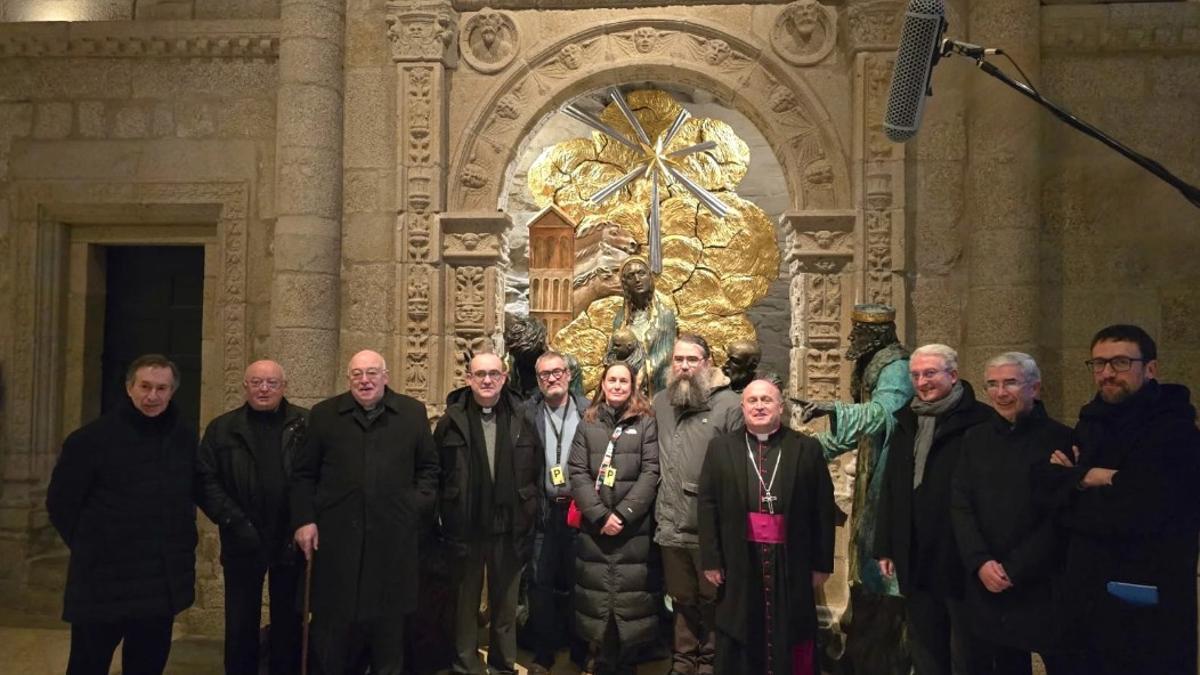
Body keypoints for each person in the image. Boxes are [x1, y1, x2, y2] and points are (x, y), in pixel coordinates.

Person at [1042, 324, 1200, 674]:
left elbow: (1140, 512)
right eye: (1099, 364)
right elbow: (1055, 497)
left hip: (1144, 597)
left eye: (1120, 362)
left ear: (1150, 368)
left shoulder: (1175, 431)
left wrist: (1077, 482)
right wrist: (1099, 478)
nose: (1107, 373)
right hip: (1083, 596)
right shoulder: (1090, 421)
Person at [47, 354, 198, 675]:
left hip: (159, 582)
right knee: (88, 665)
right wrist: (93, 545)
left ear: (172, 392)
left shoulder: (184, 440)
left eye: (161, 388)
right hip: (102, 582)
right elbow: (61, 504)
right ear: (129, 388)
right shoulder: (89, 440)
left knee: (147, 665)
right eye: (145, 386)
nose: (152, 396)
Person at [290, 349, 439, 675]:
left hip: (392, 542)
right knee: (334, 634)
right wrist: (304, 520)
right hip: (337, 542)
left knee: (388, 635)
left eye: (372, 373)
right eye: (357, 374)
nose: (365, 380)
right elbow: (304, 475)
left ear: (386, 376)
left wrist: (412, 508)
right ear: (348, 379)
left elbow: (428, 469)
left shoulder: (412, 414)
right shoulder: (324, 414)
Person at [797, 303, 913, 675]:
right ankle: (862, 651)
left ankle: (883, 657)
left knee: (880, 562)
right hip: (870, 469)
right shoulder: (872, 364)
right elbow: (858, 426)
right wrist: (810, 448)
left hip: (889, 474)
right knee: (864, 560)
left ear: (875, 335)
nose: (851, 339)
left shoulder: (895, 367)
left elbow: (881, 414)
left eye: (858, 332)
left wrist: (832, 407)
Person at [950, 353, 1077, 675]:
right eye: (992, 384)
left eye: (1010, 383)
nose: (1000, 393)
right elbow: (961, 503)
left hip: (1043, 580)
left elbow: (1062, 515)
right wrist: (980, 561)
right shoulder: (975, 439)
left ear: (1035, 388)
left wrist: (1015, 568)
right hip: (989, 577)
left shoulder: (1060, 438)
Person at [698, 376, 835, 674]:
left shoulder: (806, 448)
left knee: (791, 626)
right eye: (752, 401)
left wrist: (822, 563)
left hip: (791, 557)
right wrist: (711, 558)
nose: (759, 406)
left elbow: (822, 507)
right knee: (739, 626)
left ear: (781, 406)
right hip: (739, 556)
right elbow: (707, 506)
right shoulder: (721, 448)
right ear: (743, 407)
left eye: (766, 400)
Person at [874, 343, 991, 675]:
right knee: (925, 647)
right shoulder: (906, 420)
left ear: (953, 376)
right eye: (916, 375)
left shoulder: (979, 422)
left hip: (960, 555)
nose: (922, 382)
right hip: (917, 553)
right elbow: (892, 487)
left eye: (930, 374)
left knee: (968, 652)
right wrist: (886, 545)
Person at [197, 360, 308, 675]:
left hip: (290, 539)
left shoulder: (305, 424)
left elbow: (315, 476)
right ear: (245, 386)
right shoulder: (222, 428)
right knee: (240, 623)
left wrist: (303, 521)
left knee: (289, 622)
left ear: (284, 386)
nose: (264, 389)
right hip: (241, 538)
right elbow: (206, 481)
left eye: (272, 383)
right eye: (257, 382)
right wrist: (234, 521)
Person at [435, 352, 539, 675]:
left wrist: (529, 507)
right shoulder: (452, 420)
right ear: (468, 378)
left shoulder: (522, 417)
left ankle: (502, 664)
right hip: (466, 524)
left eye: (494, 374)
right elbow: (436, 472)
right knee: (464, 603)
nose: (487, 380)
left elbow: (534, 468)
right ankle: (465, 663)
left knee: (505, 603)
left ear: (504, 377)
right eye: (479, 374)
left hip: (509, 525)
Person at [652, 334, 743, 675]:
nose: (685, 366)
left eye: (692, 359)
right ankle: (683, 660)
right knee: (681, 598)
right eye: (679, 359)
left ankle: (709, 662)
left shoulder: (730, 405)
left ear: (707, 363)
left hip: (709, 527)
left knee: (712, 599)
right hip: (669, 520)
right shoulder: (662, 402)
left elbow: (740, 466)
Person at [568, 361, 661, 675]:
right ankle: (602, 660)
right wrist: (599, 515)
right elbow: (577, 472)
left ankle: (627, 663)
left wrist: (623, 514)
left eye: (624, 381)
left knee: (631, 603)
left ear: (632, 385)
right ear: (603, 385)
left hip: (632, 531)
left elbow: (651, 472)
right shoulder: (588, 422)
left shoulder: (647, 422)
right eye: (613, 380)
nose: (618, 386)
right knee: (597, 603)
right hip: (595, 531)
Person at [523, 351, 592, 674]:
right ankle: (543, 652)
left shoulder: (589, 410)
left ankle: (580, 650)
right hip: (543, 511)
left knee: (580, 581)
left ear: (568, 374)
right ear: (538, 380)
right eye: (545, 375)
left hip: (579, 511)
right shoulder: (527, 413)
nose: (552, 379)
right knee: (540, 582)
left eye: (557, 372)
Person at [611, 257, 677, 394]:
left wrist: (644, 371)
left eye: (641, 273)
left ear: (650, 277)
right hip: (624, 388)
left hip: (655, 389)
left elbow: (666, 355)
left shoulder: (664, 316)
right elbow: (613, 352)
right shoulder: (620, 319)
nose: (637, 279)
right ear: (625, 284)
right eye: (630, 276)